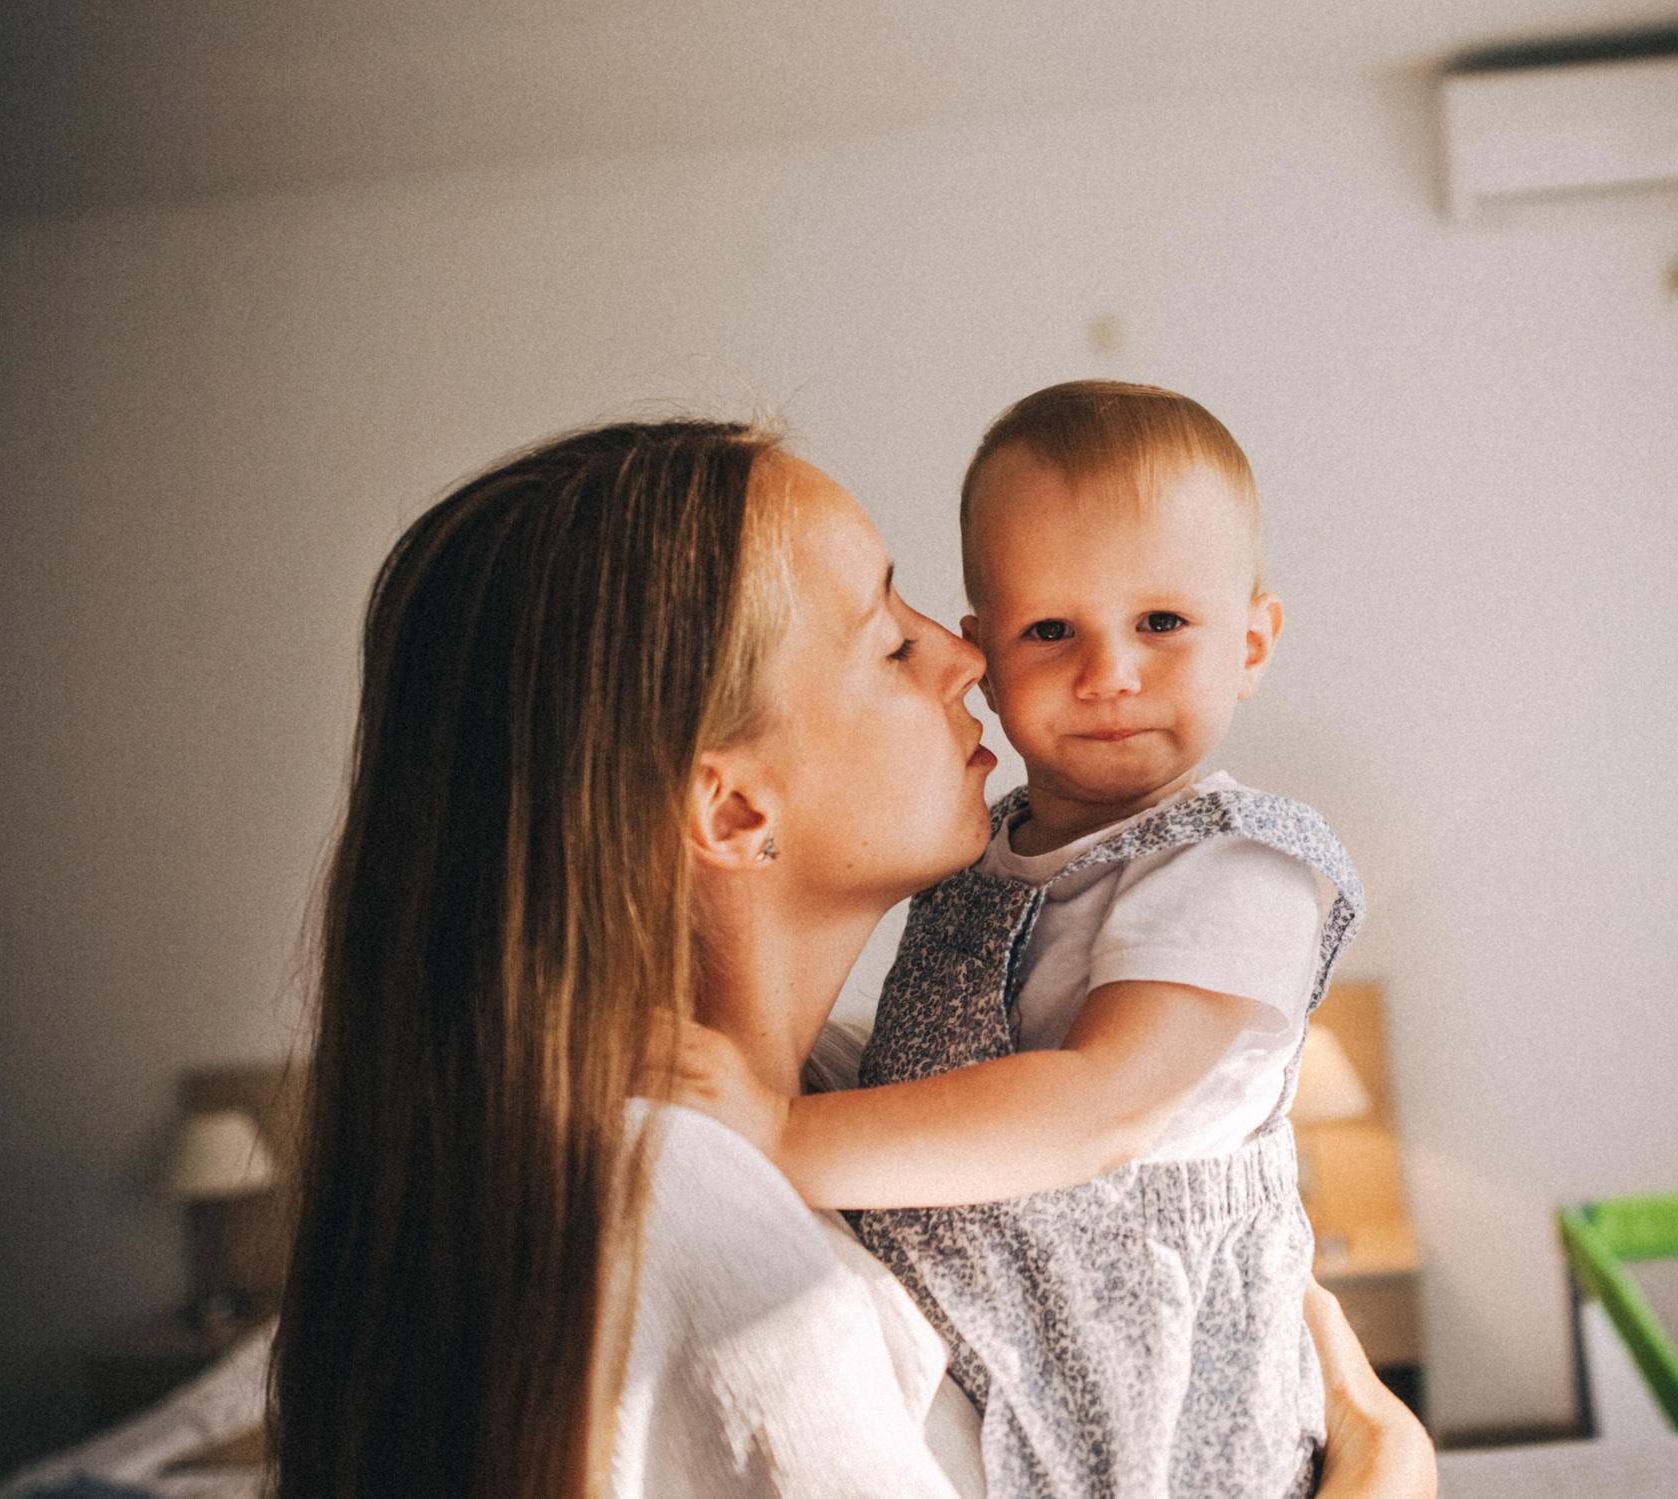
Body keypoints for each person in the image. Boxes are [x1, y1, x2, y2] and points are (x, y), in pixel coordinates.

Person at [269, 418, 1432, 1499]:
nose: (965, 658)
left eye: (1162, 623)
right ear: (733, 812)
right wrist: (1388, 1468)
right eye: (888, 641)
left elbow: (1104, 1102)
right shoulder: (698, 1194)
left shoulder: (833, 1095)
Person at [673, 384, 1358, 1499]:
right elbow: (938, 1082)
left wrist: (778, 1133)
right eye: (1050, 631)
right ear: (989, 654)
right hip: (1014, 1351)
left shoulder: (1232, 866)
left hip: (1164, 1386)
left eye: (1162, 623)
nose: (1109, 672)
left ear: (1251, 643)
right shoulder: (987, 865)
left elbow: (1102, 1101)